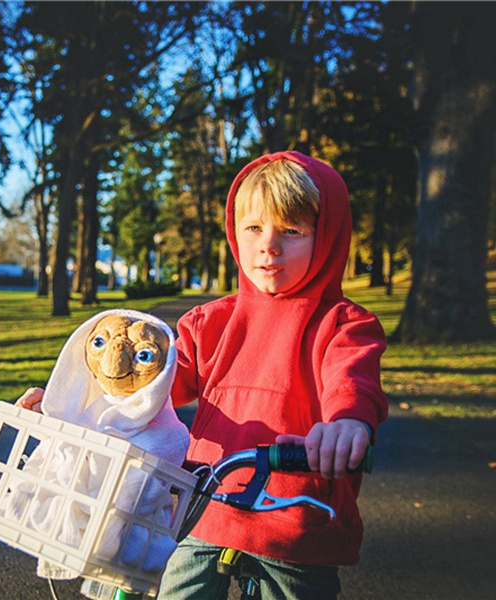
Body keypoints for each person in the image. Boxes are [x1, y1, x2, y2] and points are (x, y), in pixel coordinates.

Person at [157, 151, 388, 599]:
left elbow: (352, 381)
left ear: (328, 238)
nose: (269, 245)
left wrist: (346, 424)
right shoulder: (211, 321)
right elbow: (154, 381)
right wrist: (75, 398)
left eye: (292, 231)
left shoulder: (344, 325)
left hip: (298, 515)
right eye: (254, 228)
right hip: (208, 507)